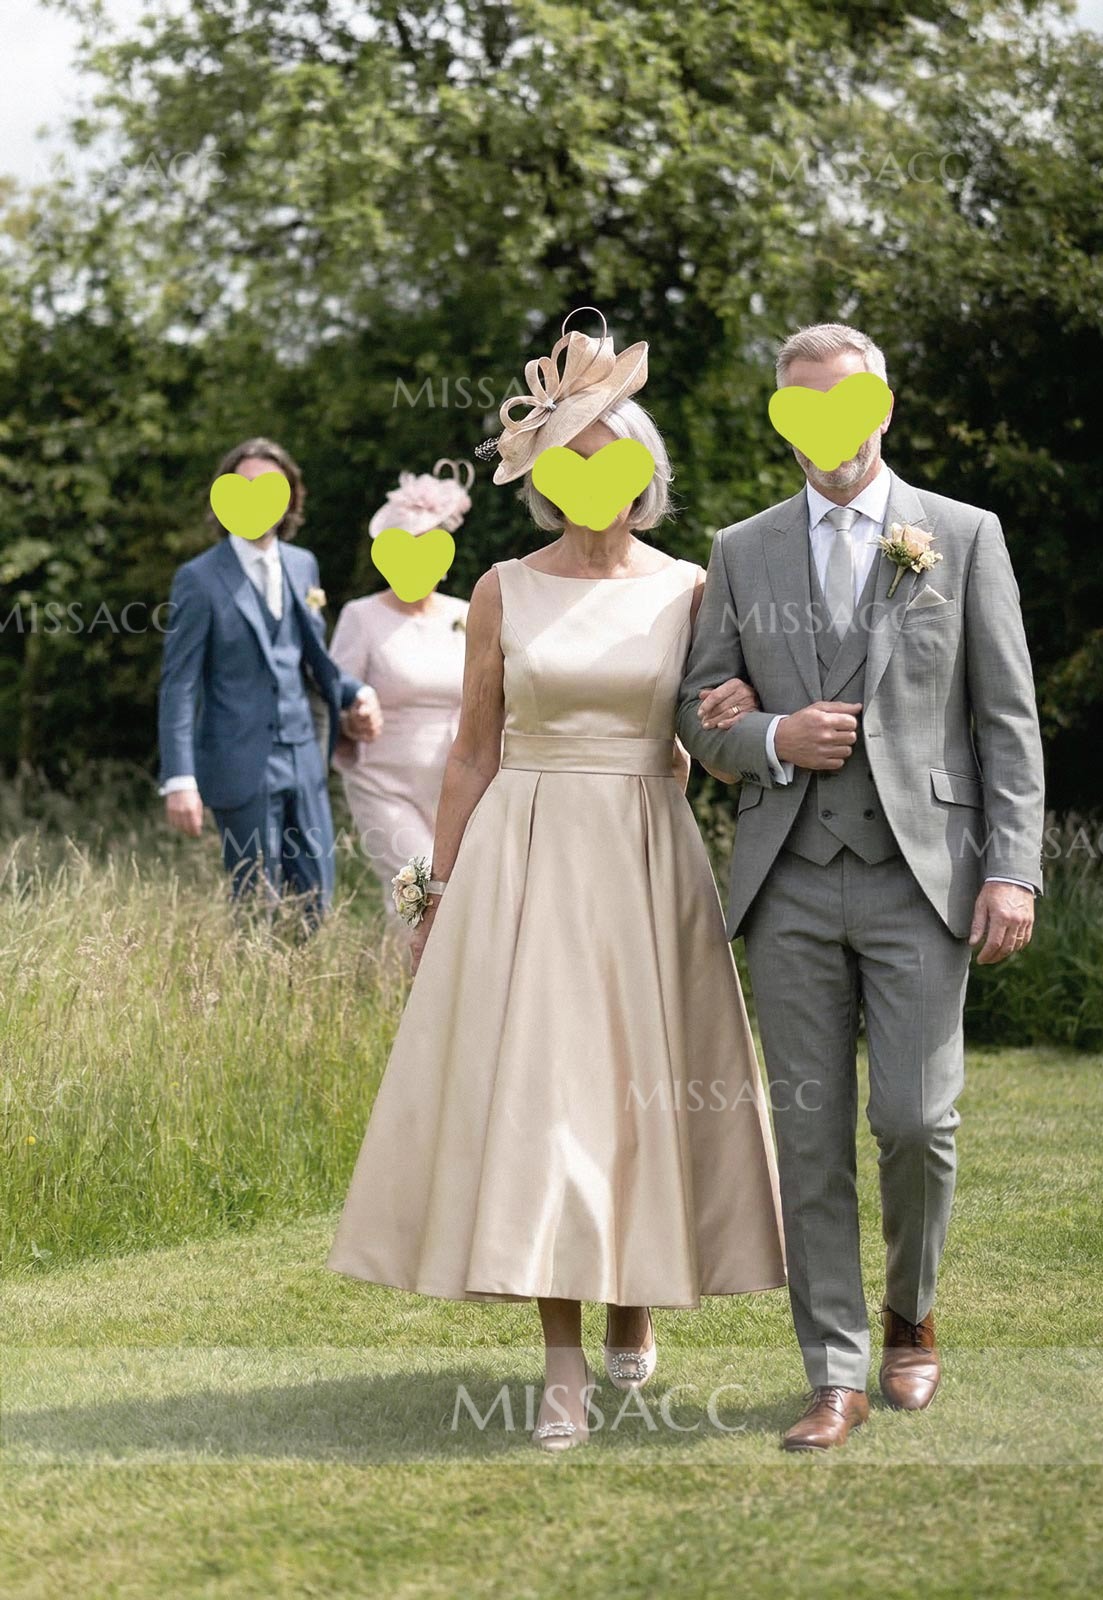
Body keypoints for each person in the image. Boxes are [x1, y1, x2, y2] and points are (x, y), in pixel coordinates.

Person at [325, 309, 785, 1451]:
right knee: (547, 1096)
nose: (594, 484)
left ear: (646, 475)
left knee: (643, 1086)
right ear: (541, 478)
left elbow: (705, 732)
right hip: (524, 858)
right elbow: (469, 753)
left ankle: (636, 1302)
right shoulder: (499, 588)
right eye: (570, 461)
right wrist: (437, 896)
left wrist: (740, 711)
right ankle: (563, 1361)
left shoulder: (690, 586)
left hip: (646, 852)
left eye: (612, 461)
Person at [678, 322, 1045, 1451]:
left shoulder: (962, 536)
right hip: (787, 882)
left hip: (921, 878)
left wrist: (1011, 869)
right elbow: (698, 707)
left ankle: (910, 1315)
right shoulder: (740, 549)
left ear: (881, 408)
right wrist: (773, 735)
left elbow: (1006, 718)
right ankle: (832, 1371)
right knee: (808, 1135)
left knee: (915, 1121)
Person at [158, 437, 383, 923]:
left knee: (317, 900)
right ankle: (252, 974)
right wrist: (179, 779)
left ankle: (299, 972)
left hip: (305, 755)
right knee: (256, 903)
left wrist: (357, 692)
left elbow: (310, 656)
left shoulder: (303, 565)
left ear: (289, 498)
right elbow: (179, 684)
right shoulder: (199, 579)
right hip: (240, 762)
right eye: (244, 485)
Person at [330, 461, 471, 955]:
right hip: (383, 783)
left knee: (459, 897)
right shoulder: (361, 617)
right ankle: (414, 993)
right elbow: (335, 692)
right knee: (417, 891)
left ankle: (450, 993)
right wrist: (352, 715)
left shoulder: (465, 615)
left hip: (454, 787)